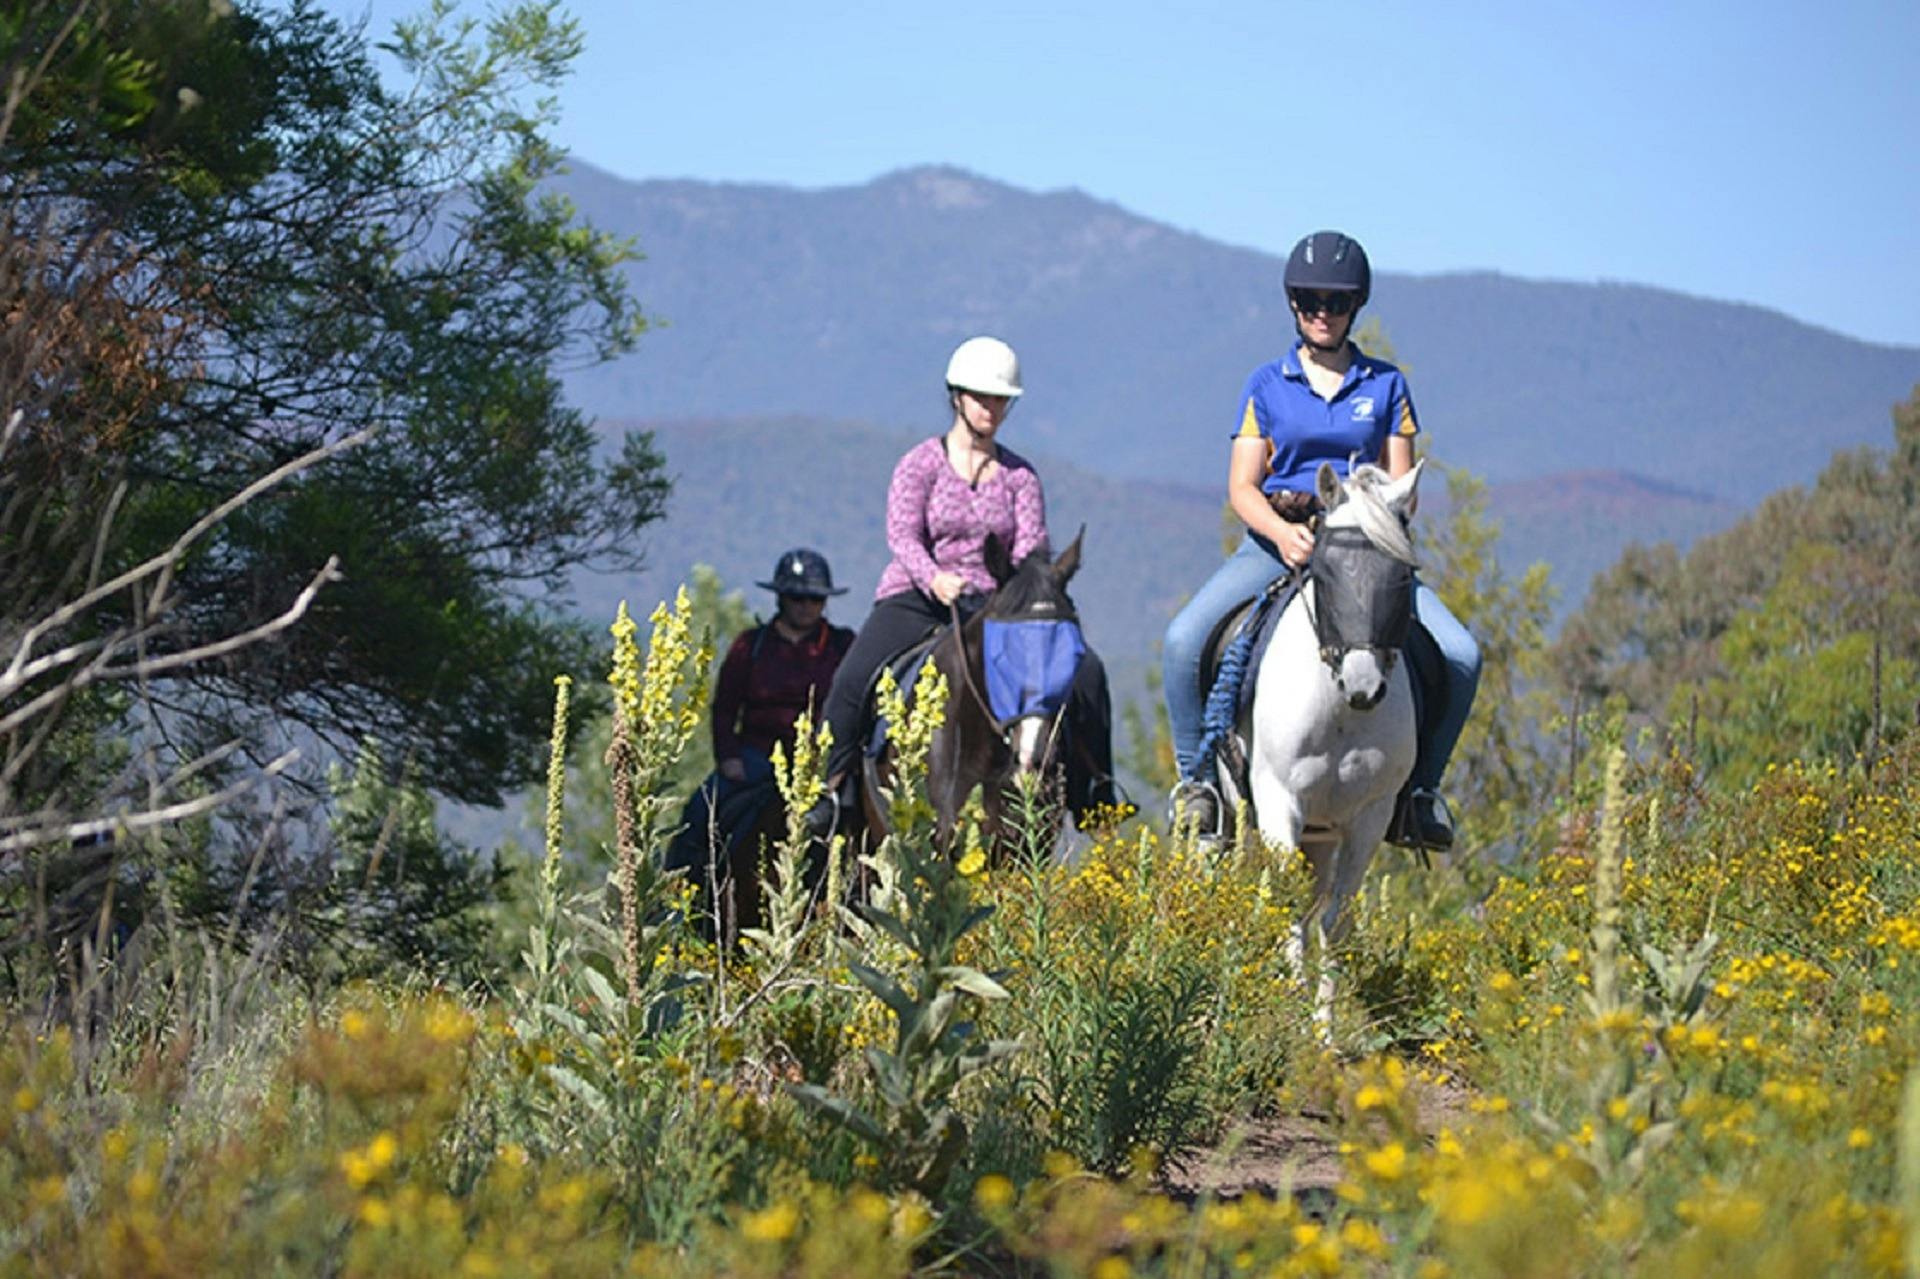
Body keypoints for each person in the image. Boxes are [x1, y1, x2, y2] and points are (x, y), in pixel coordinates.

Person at [1160, 231, 1481, 850]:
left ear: (1355, 307)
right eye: (1310, 301)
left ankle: (1419, 794)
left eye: (1336, 303)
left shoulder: (1387, 385)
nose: (1322, 313)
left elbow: (1404, 490)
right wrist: (1283, 533)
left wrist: (1359, 517)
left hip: (1364, 551)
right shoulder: (1266, 384)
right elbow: (1242, 486)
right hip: (1278, 542)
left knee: (1462, 655)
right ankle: (1198, 787)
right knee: (1182, 641)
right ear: (1293, 304)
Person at [805, 336, 1122, 837]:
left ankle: (1095, 793)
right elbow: (902, 535)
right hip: (917, 596)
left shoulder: (1020, 477)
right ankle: (830, 792)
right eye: (981, 397)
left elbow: (1030, 549)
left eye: (1001, 399)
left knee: (1086, 671)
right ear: (956, 397)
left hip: (997, 607)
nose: (991, 408)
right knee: (852, 680)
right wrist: (933, 576)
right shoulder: (920, 464)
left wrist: (1022, 589)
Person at [665, 548, 853, 878]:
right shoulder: (750, 645)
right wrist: (729, 757)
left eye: (815, 599)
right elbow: (725, 708)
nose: (807, 606)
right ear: (781, 598)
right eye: (797, 597)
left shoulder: (843, 646)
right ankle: (681, 890)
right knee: (700, 811)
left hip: (820, 760)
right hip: (758, 755)